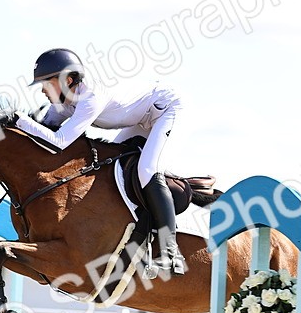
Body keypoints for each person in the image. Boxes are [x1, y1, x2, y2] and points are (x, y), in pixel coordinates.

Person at [10, 48, 187, 276]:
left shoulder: (89, 98)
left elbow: (59, 142)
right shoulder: (63, 104)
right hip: (139, 117)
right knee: (115, 169)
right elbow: (43, 135)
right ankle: (138, 239)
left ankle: (170, 253)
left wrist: (20, 120)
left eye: (47, 83)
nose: (43, 90)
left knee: (147, 169)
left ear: (68, 80)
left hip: (167, 109)